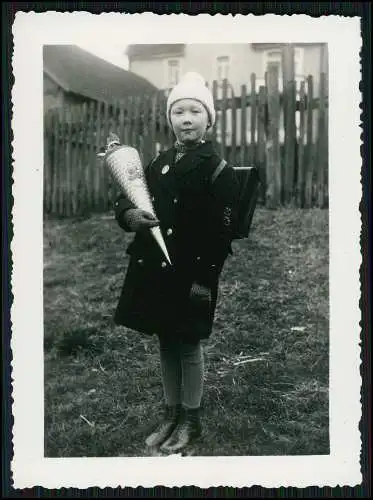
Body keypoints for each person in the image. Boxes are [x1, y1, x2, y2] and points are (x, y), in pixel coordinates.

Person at [113, 72, 240, 454]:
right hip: (157, 270)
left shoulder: (218, 170)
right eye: (179, 111)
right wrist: (130, 217)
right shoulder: (157, 164)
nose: (186, 119)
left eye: (195, 111)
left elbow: (222, 235)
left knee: (187, 342)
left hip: (193, 274)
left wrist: (204, 279)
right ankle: (170, 414)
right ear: (170, 119)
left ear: (208, 120)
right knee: (165, 339)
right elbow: (129, 198)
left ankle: (191, 419)